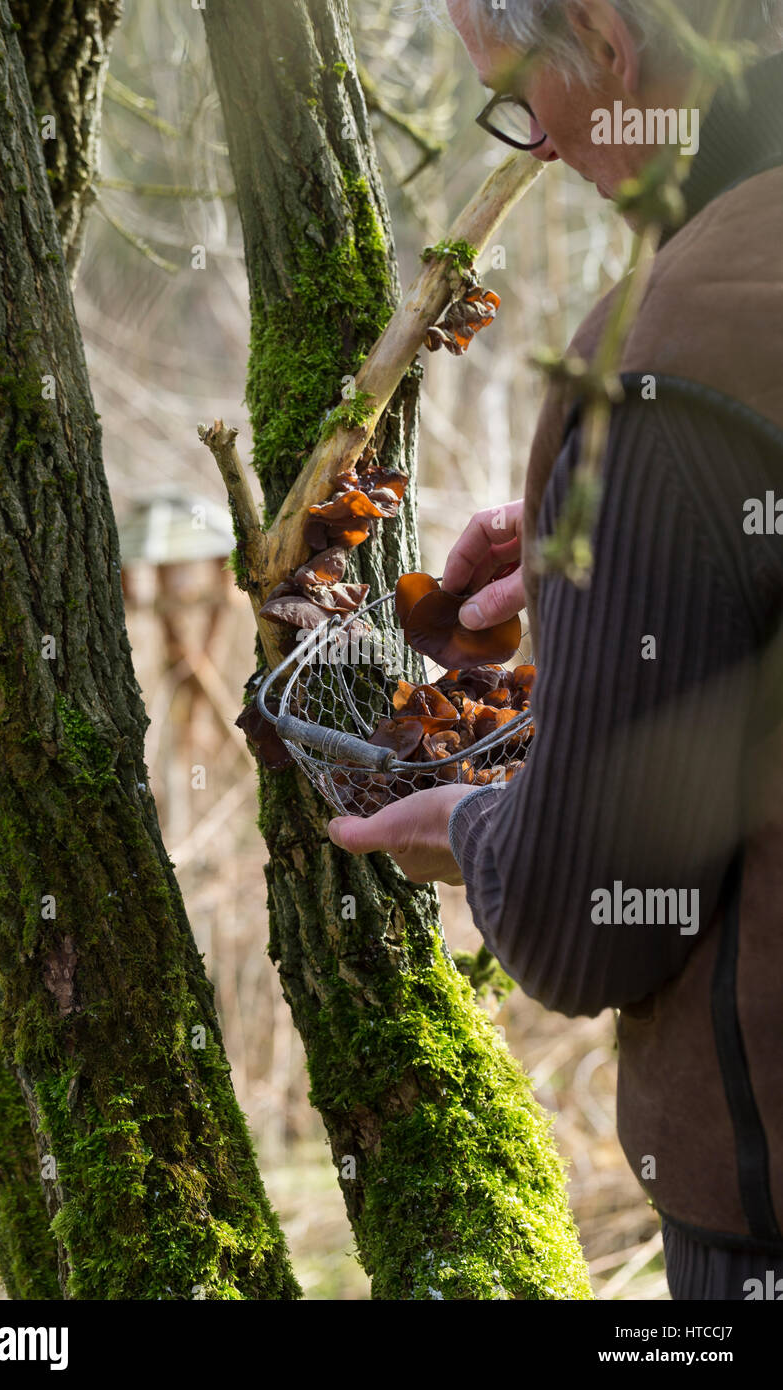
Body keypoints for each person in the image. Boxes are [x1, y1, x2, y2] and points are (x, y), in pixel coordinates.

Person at [328, 0, 783, 1300]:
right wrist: (638, 552)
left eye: (521, 97)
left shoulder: (659, 354)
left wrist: (467, 829)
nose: (532, 147)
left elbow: (592, 917)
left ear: (603, 33)